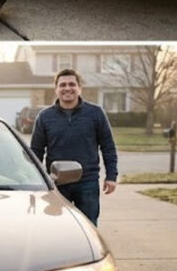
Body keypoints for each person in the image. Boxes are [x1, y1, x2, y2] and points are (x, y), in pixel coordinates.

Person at [30, 69, 118, 226]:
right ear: (56, 89)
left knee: (88, 226)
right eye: (62, 85)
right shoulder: (45, 117)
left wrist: (111, 176)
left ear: (79, 88)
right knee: (56, 226)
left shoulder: (95, 113)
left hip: (87, 182)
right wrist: (33, 178)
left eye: (72, 84)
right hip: (56, 184)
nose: (67, 88)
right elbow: (35, 151)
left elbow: (108, 147)